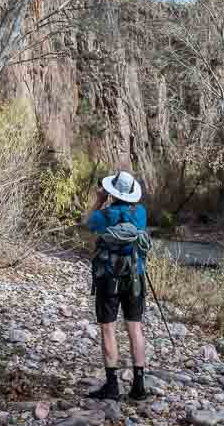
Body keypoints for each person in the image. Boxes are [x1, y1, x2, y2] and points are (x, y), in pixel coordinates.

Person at [78, 169, 148, 401]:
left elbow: (85, 223)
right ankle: (139, 386)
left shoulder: (103, 215)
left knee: (108, 328)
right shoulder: (140, 213)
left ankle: (111, 386)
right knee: (134, 327)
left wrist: (98, 200)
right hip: (135, 277)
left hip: (108, 277)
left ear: (112, 191)